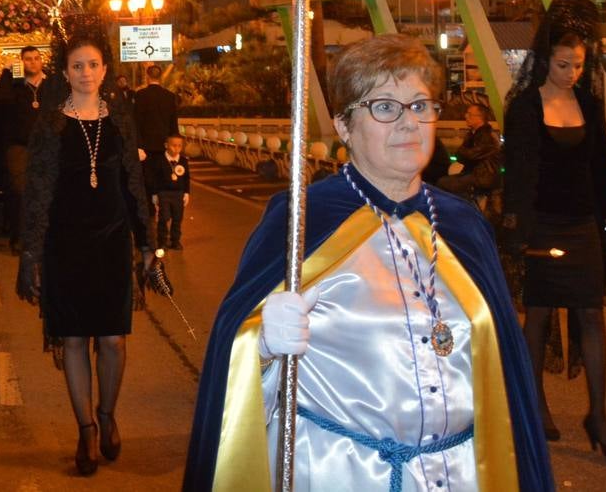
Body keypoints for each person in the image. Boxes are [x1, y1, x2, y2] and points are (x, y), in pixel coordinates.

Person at [186, 34, 552, 491]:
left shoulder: (464, 226)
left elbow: (504, 373)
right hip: (340, 474)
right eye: (384, 107)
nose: (408, 123)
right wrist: (259, 345)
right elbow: (234, 351)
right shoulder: (302, 219)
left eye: (420, 105)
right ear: (343, 126)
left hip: (459, 475)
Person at [17, 20, 152, 477]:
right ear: (66, 71)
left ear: (105, 68)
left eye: (93, 64)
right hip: (65, 244)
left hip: (112, 240)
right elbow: (37, 191)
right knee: (73, 338)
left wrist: (148, 241)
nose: (86, 72)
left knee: (112, 339)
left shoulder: (120, 121)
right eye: (78, 65)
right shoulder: (51, 125)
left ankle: (109, 412)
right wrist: (31, 254)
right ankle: (87, 428)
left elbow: (133, 183)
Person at [501, 0, 606, 458]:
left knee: (592, 314)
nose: (572, 73)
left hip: (582, 226)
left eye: (578, 65)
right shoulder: (526, 107)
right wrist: (517, 229)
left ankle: (599, 415)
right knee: (539, 317)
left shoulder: (589, 105)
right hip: (542, 226)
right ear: (544, 60)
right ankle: (538, 408)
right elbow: (520, 172)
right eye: (563, 65)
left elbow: (601, 168)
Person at [0, 45, 47, 252]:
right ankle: (20, 237)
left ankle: (43, 237)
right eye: (28, 59)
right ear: (21, 62)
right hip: (19, 146)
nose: (33, 62)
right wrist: (7, 73)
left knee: (44, 191)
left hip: (44, 146)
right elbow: (0, 100)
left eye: (36, 58)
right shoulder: (15, 85)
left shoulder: (50, 84)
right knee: (21, 191)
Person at [436, 102, 503, 213]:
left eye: (470, 114)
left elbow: (470, 155)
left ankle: (463, 212)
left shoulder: (486, 136)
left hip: (483, 178)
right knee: (445, 181)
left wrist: (462, 152)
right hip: (474, 174)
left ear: (480, 118)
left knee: (443, 183)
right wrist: (463, 153)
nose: (466, 116)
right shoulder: (474, 134)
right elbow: (462, 156)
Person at [146, 134, 190, 250]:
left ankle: (175, 240)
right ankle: (162, 241)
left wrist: (186, 193)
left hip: (178, 194)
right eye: (174, 145)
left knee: (177, 218)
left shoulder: (183, 160)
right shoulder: (160, 160)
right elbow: (154, 178)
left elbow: (186, 178)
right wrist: (154, 193)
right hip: (163, 193)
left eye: (180, 146)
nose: (176, 148)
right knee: (164, 217)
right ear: (166, 145)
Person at [132, 65, 177, 161]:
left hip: (146, 144)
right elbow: (173, 122)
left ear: (147, 76)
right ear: (160, 77)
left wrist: (138, 144)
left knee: (147, 174)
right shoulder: (170, 96)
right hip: (165, 143)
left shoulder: (140, 95)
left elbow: (136, 121)